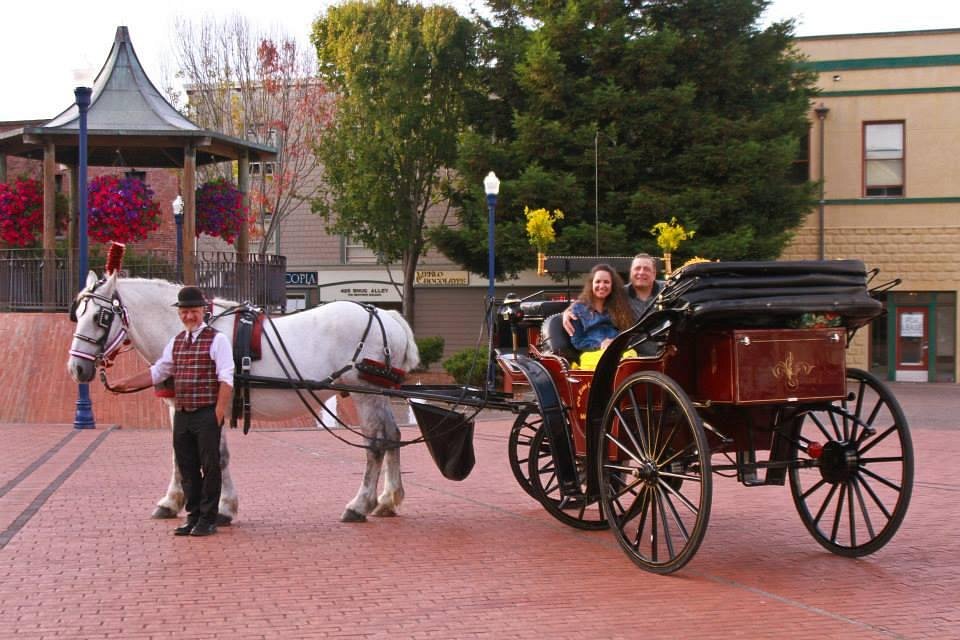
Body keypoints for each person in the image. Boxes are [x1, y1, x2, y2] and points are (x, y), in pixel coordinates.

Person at [112, 286, 234, 537]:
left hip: (206, 412)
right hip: (183, 413)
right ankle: (193, 515)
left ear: (203, 312)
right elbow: (159, 371)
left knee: (210, 467)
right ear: (180, 314)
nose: (189, 316)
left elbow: (226, 378)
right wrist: (125, 383)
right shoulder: (177, 342)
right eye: (185, 312)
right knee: (187, 466)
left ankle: (208, 518)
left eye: (194, 311)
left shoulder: (218, 340)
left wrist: (218, 412)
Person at [562, 253, 664, 336]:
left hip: (667, 350)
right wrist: (568, 311)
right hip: (633, 354)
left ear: (654, 273)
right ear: (631, 272)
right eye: (637, 268)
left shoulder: (669, 289)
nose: (641, 272)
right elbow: (590, 299)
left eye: (646, 269)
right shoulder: (619, 294)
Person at [568, 263, 635, 370]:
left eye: (606, 282)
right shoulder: (578, 309)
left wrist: (614, 342)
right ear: (591, 284)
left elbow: (626, 332)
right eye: (598, 281)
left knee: (632, 357)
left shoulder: (618, 306)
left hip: (619, 349)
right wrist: (600, 344)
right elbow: (577, 341)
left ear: (612, 285)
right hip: (593, 353)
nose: (602, 286)